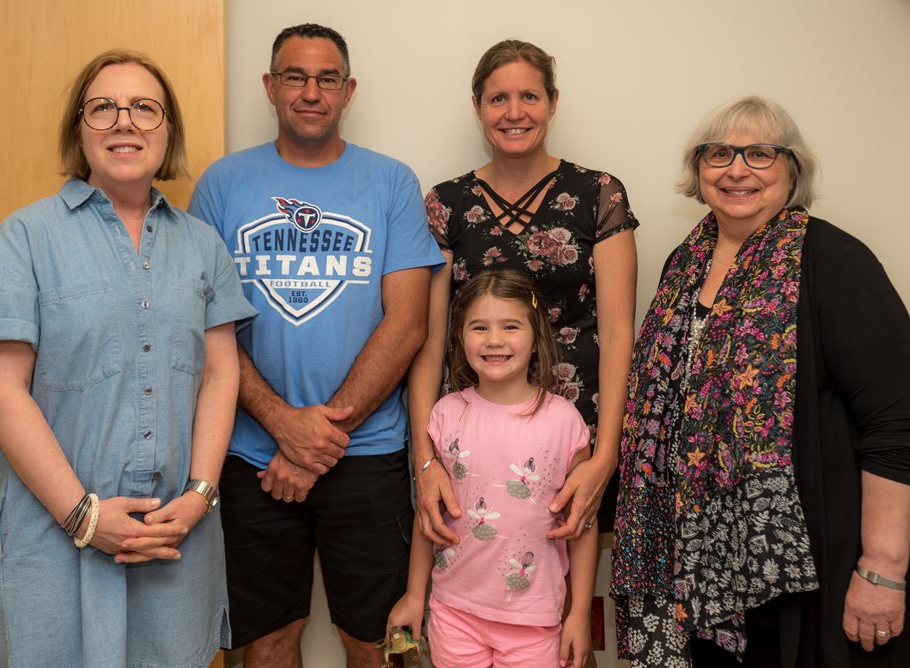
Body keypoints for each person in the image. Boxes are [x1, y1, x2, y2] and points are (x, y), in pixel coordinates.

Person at [0, 49, 255, 667]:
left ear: (167, 133)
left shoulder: (203, 245)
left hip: (177, 537)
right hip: (55, 538)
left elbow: (222, 372)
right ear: (78, 131)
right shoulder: (22, 241)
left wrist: (198, 495)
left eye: (145, 108)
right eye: (103, 108)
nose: (124, 121)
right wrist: (83, 516)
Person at [612, 95, 910, 667]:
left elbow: (897, 423)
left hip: (803, 570)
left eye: (760, 154)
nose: (736, 170)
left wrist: (884, 568)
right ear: (698, 168)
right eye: (719, 153)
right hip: (691, 571)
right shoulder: (685, 263)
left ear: (792, 170)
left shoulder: (835, 262)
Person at [188, 23, 444, 668]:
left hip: (368, 455)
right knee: (267, 642)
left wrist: (315, 443)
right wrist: (282, 427)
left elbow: (407, 323)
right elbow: (201, 325)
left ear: (348, 89)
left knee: (378, 642)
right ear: (270, 87)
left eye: (326, 78)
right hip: (252, 455)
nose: (311, 92)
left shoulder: (390, 182)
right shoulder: (221, 185)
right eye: (295, 77)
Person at [411, 39, 639, 552]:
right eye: (498, 99)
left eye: (530, 97)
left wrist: (606, 455)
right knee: (482, 565)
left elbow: (620, 332)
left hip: (577, 434)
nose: (515, 113)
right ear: (478, 108)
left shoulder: (599, 194)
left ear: (553, 103)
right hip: (474, 435)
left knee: (567, 585)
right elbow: (427, 340)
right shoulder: (445, 204)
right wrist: (425, 461)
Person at [388, 269, 599, 668]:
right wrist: (415, 595)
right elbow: (429, 516)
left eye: (511, 326)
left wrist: (578, 614)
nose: (495, 340)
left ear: (536, 338)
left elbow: (582, 526)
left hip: (534, 623)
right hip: (454, 613)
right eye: (479, 327)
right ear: (460, 337)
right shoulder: (445, 415)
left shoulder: (565, 422)